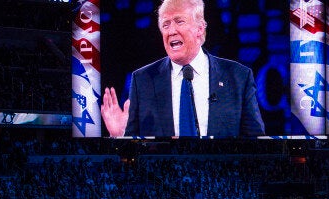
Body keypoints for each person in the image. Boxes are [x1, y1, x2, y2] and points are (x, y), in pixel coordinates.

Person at [101, 0, 265, 138]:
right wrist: (120, 136)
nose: (171, 31)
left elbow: (257, 145)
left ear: (200, 29)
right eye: (166, 24)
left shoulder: (238, 77)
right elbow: (134, 157)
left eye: (179, 21)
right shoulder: (143, 80)